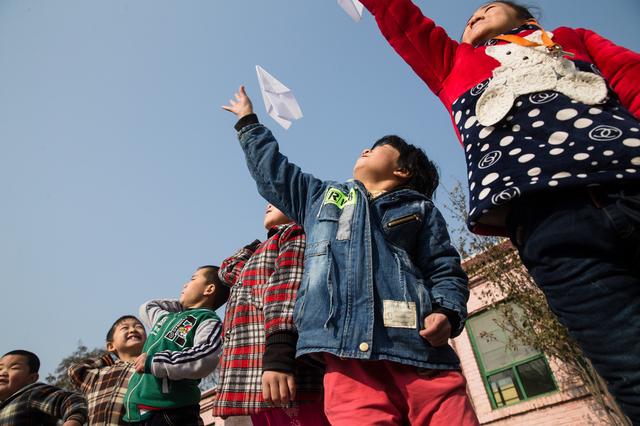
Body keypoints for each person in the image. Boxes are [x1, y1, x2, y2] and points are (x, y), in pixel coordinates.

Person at [358, 0, 640, 421]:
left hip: (629, 183)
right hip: (551, 227)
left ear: (525, 17)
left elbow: (632, 81)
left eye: (488, 7)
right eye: (469, 15)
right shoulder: (451, 63)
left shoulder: (570, 40)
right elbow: (400, 17)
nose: (473, 16)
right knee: (630, 370)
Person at [222, 87, 478, 425]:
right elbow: (274, 174)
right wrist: (248, 123)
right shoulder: (322, 198)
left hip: (417, 350)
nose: (364, 149)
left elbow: (443, 267)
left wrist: (447, 311)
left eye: (377, 148)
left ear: (403, 171)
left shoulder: (419, 210)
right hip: (343, 359)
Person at [212, 204, 328, 426]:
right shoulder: (262, 250)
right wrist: (254, 247)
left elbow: (287, 292)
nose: (267, 204)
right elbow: (227, 271)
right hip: (256, 378)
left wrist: (279, 357)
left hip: (283, 368)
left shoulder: (296, 234)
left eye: (276, 199)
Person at [123, 266, 228, 425]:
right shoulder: (166, 317)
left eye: (193, 279)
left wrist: (155, 361)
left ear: (209, 289)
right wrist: (182, 306)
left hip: (171, 412)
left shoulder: (208, 320)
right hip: (138, 414)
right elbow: (147, 307)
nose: (185, 285)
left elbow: (205, 356)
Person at [68, 315, 147, 425]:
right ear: (110, 346)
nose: (133, 330)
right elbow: (75, 371)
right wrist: (106, 359)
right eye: (125, 328)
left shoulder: (151, 370)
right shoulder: (99, 374)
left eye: (139, 327)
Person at [0, 349, 87, 425]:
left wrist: (73, 421)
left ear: (32, 378)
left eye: (14, 368)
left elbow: (72, 400)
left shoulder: (31, 394)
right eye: (0, 368)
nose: (2, 373)